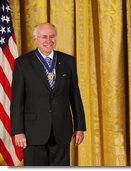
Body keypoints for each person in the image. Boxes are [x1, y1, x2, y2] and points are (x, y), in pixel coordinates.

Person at [10, 23, 86, 166]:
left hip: (61, 130)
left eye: (52, 36)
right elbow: (17, 101)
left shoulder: (68, 61)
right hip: (33, 132)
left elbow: (75, 96)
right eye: (44, 37)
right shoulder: (22, 63)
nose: (48, 41)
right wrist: (18, 131)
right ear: (35, 39)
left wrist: (80, 126)